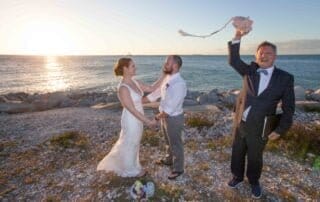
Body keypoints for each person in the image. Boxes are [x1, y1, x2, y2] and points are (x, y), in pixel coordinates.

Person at [227, 30, 295, 198]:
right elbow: (234, 60)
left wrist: (280, 130)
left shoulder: (285, 78)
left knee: (255, 156)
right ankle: (237, 176)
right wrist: (237, 36)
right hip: (241, 122)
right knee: (237, 151)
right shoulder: (249, 70)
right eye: (261, 53)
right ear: (256, 56)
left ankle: (254, 181)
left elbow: (289, 107)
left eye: (268, 53)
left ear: (275, 57)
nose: (264, 56)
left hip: (261, 126)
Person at [97, 57, 164, 177]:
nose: (135, 67)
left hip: (139, 117)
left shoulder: (135, 82)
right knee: (130, 142)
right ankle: (130, 171)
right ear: (125, 68)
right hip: (131, 119)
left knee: (134, 142)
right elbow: (131, 109)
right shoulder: (123, 88)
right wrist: (148, 121)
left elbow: (151, 88)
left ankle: (133, 165)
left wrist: (164, 76)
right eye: (133, 66)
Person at [143, 55, 187, 180]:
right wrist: (139, 101)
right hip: (165, 117)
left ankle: (178, 169)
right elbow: (156, 94)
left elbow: (169, 109)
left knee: (176, 144)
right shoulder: (168, 78)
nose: (164, 65)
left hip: (173, 118)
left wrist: (156, 118)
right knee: (168, 141)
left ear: (175, 65)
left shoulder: (179, 84)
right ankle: (169, 159)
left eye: (167, 63)